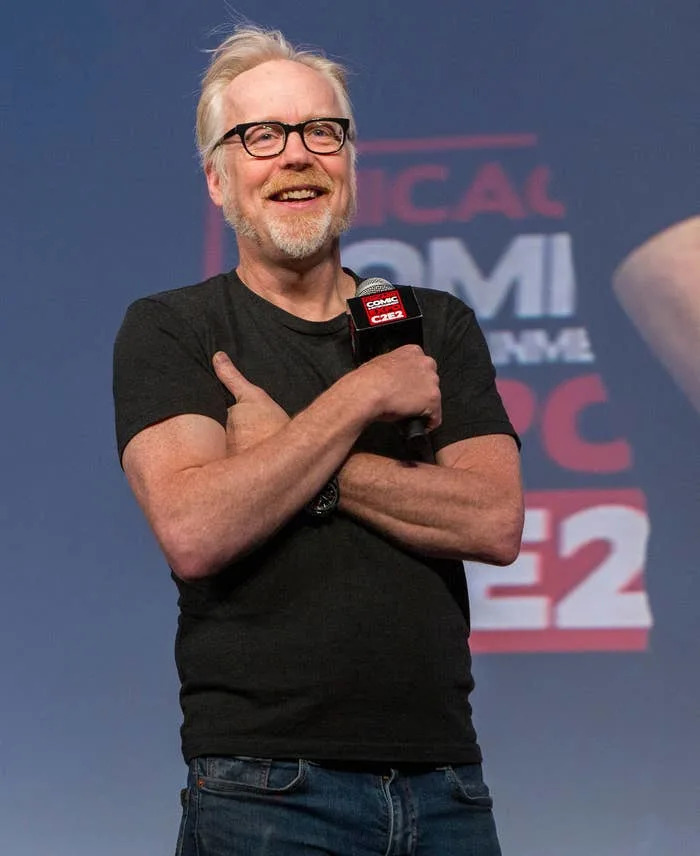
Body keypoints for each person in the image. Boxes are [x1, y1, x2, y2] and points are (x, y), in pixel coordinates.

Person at [113, 25, 523, 856]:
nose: (296, 155)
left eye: (320, 132)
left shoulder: (432, 324)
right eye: (260, 136)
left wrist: (302, 465)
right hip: (264, 790)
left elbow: (492, 520)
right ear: (218, 181)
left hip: (446, 785)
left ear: (350, 164)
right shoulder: (176, 329)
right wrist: (362, 396)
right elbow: (195, 528)